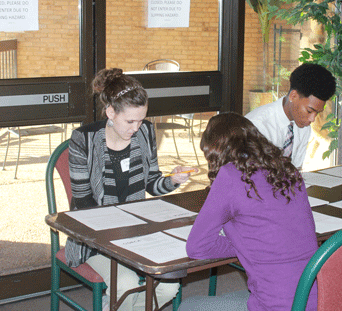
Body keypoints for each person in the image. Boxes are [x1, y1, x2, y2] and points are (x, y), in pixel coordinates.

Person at [64, 68, 197, 311]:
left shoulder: (145, 132)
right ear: (110, 112)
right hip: (96, 239)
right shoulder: (83, 140)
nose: (136, 128)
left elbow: (152, 184)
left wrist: (173, 180)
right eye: (130, 121)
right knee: (126, 284)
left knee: (170, 285)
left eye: (141, 120)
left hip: (139, 233)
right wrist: (124, 236)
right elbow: (84, 205)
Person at [179, 112, 318, 311]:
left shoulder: (230, 176)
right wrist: (257, 243)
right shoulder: (289, 170)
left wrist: (246, 244)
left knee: (189, 306)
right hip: (317, 299)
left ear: (214, 151)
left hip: (275, 306)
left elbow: (197, 247)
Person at [245, 63, 336, 170]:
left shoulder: (303, 128)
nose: (312, 119)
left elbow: (296, 171)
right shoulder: (257, 125)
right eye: (309, 111)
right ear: (293, 96)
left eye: (317, 113)